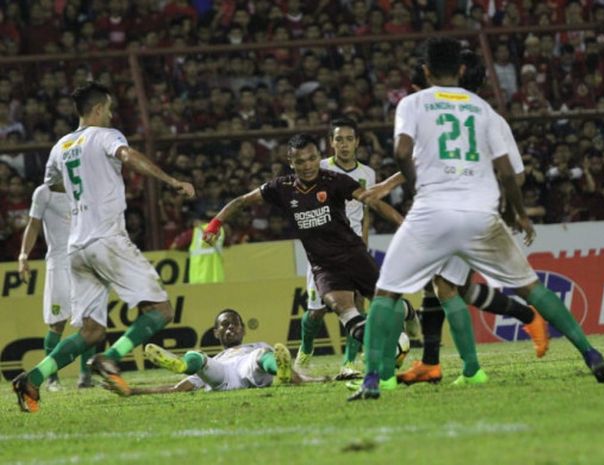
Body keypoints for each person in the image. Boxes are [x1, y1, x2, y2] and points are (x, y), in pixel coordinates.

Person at [350, 38, 604, 401]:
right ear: (459, 70)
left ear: (426, 72)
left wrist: (416, 187)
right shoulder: (483, 110)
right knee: (531, 287)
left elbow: (401, 151)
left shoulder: (412, 103)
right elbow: (508, 171)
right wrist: (519, 213)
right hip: (481, 213)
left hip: (433, 212)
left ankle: (371, 380)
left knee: (387, 293)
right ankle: (592, 354)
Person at [12, 82, 195, 413]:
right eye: (108, 109)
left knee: (92, 330)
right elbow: (129, 156)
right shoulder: (107, 136)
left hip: (76, 249)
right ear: (97, 110)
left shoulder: (61, 146)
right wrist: (171, 181)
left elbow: (52, 183)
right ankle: (109, 360)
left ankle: (33, 379)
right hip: (106, 239)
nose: (110, 115)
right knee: (161, 310)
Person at [369, 50, 549, 386]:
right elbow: (425, 158)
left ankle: (468, 366)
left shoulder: (487, 118)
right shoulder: (445, 111)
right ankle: (433, 363)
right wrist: (390, 183)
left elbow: (515, 174)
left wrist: (504, 207)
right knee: (444, 288)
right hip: (444, 208)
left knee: (446, 287)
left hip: (470, 212)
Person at [203, 134, 405, 379]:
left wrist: (403, 223)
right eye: (301, 161)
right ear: (291, 162)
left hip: (354, 255)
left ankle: (406, 316)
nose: (308, 165)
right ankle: (380, 359)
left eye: (312, 159)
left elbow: (371, 201)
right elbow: (241, 201)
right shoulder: (282, 188)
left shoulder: (335, 180)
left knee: (390, 306)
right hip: (324, 266)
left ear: (319, 157)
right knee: (343, 309)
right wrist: (215, 224)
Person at [296, 117, 379, 379]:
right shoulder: (317, 168)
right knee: (316, 312)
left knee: (357, 304)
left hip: (353, 249)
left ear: (357, 142)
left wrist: (364, 243)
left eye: (349, 139)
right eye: (339, 139)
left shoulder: (368, 174)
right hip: (324, 251)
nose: (344, 144)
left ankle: (349, 362)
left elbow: (366, 212)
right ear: (331, 143)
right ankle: (305, 351)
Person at [102, 309, 317, 395]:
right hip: (222, 375)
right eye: (224, 325)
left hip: (248, 368)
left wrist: (313, 380)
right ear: (216, 333)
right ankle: (182, 365)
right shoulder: (217, 359)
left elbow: (288, 367)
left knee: (262, 355)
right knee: (199, 356)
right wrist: (132, 391)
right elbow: (178, 389)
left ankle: (281, 376)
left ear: (243, 329)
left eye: (234, 324)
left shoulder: (258, 346)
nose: (230, 327)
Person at [18, 183, 97, 390]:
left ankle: (86, 376)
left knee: (90, 321)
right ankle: (51, 378)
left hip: (84, 261)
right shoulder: (43, 193)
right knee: (57, 322)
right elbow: (33, 225)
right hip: (59, 264)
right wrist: (23, 254)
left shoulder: (83, 186)